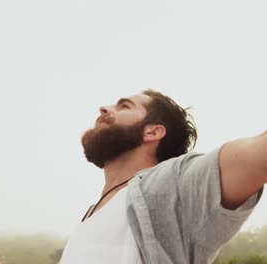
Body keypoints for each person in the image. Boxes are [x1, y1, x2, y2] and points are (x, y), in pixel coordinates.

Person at [59, 89, 265, 264]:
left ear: (153, 132)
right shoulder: (91, 214)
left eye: (124, 106)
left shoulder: (170, 188)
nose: (104, 108)